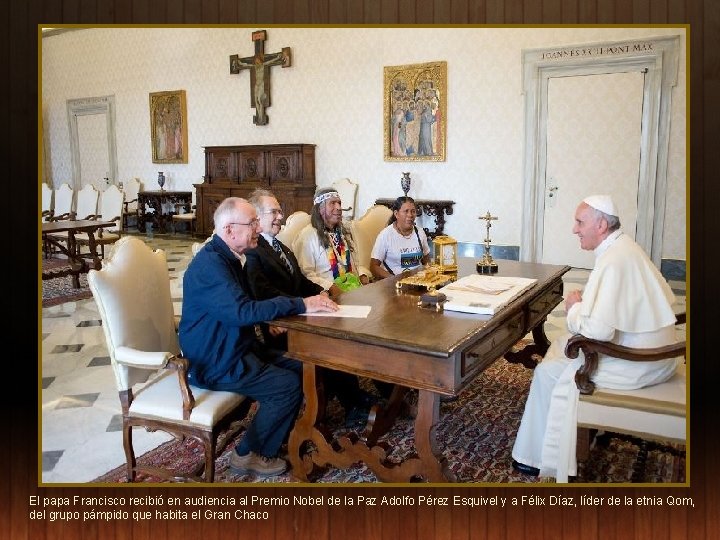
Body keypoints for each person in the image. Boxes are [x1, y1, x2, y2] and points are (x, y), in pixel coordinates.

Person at [511, 194, 681, 482]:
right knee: (560, 345)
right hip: (657, 356)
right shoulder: (623, 248)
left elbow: (599, 332)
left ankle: (538, 458)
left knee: (549, 372)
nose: (574, 229)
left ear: (601, 224)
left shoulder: (614, 260)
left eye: (580, 222)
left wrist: (573, 307)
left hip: (641, 364)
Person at [178, 196, 338, 478]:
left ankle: (285, 434)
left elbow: (243, 303)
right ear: (229, 230)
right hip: (216, 360)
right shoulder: (210, 266)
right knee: (286, 385)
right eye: (252, 223)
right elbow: (240, 311)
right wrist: (301, 304)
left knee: (305, 366)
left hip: (238, 348)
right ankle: (247, 454)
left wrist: (269, 319)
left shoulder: (227, 257)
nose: (257, 228)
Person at [243, 189, 375, 426]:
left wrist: (321, 293)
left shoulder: (279, 247)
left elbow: (301, 281)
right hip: (280, 324)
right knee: (332, 342)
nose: (280, 217)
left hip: (298, 313)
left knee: (341, 329)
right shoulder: (254, 251)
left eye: (279, 211)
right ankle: (352, 404)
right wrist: (301, 305)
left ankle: (355, 397)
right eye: (273, 212)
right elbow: (263, 293)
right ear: (256, 218)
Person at [292, 187, 370, 297]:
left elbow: (354, 264)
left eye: (339, 203)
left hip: (353, 291)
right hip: (328, 295)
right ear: (319, 208)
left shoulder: (343, 233)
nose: (338, 208)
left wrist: (361, 275)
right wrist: (330, 287)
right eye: (332, 203)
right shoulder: (308, 236)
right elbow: (305, 275)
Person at [369, 196, 430, 280]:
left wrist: (429, 274)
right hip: (395, 286)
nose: (410, 215)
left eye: (413, 211)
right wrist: (393, 279)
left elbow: (426, 260)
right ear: (396, 214)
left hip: (419, 282)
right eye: (406, 211)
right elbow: (374, 267)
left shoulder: (420, 232)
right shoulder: (386, 235)